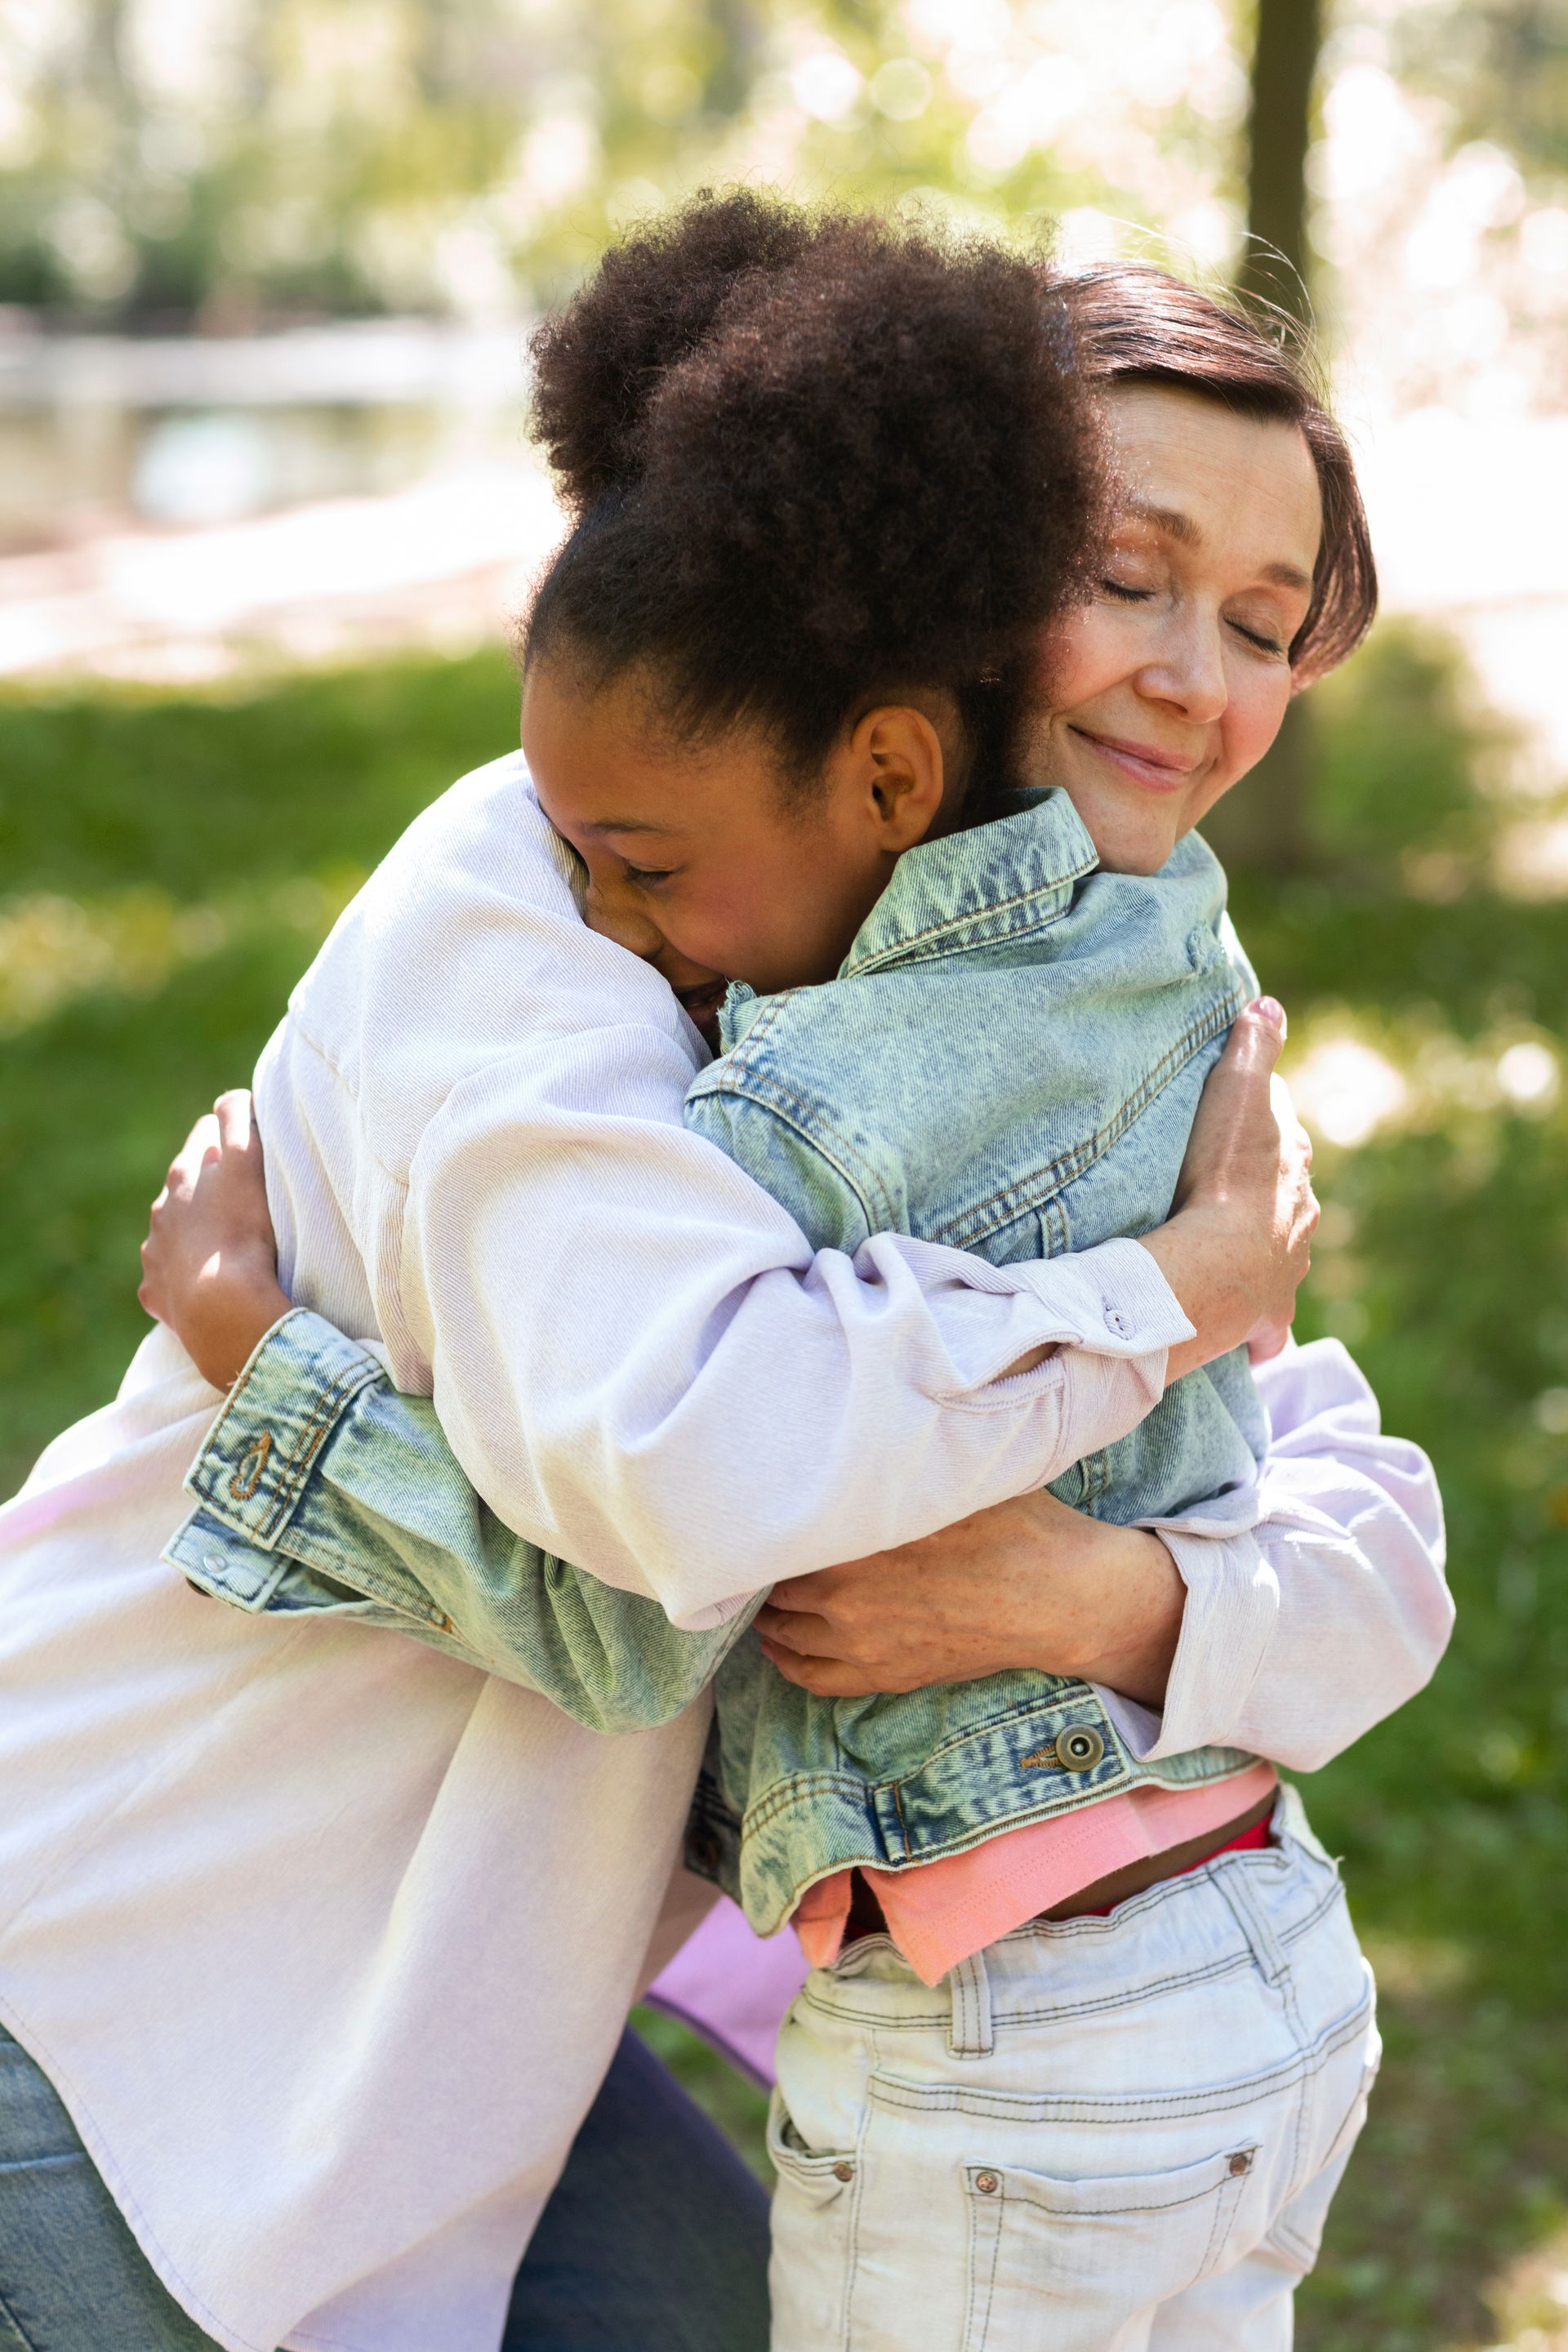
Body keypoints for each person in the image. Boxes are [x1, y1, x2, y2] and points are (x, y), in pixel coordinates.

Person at [0, 200, 1444, 2352]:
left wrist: (1122, 1601)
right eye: (1126, 579)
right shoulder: (550, 921)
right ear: (945, 576)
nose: (1195, 679)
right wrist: (1179, 1280)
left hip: (450, 2026)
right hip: (131, 1963)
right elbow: (690, 1498)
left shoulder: (1096, 992)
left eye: (1264, 617)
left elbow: (1361, 1544)